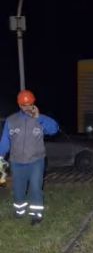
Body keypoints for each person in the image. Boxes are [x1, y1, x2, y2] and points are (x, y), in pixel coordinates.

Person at [0, 90, 59, 225]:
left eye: (29, 104)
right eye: (23, 105)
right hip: (17, 162)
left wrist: (39, 118)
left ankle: (37, 215)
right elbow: (5, 141)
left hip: (36, 161)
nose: (26, 107)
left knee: (35, 187)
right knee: (18, 188)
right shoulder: (11, 120)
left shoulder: (41, 119)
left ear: (33, 103)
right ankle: (19, 211)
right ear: (19, 105)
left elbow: (54, 129)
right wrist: (0, 156)